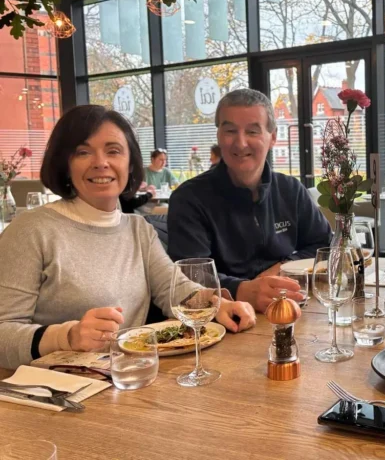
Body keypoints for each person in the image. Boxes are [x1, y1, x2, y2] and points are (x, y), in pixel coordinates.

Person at [0, 105, 256, 370]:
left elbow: (175, 290)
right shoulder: (32, 230)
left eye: (113, 151)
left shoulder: (138, 229)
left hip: (129, 382)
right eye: (83, 151)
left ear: (130, 163)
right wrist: (65, 337)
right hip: (54, 397)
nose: (101, 162)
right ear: (65, 163)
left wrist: (218, 305)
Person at [168, 89, 332, 313]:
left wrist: (280, 270)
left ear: (272, 137)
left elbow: (324, 245)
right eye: (230, 131)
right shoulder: (189, 199)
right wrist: (243, 289)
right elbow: (191, 277)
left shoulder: (290, 190)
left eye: (252, 131)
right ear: (218, 136)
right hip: (225, 319)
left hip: (296, 307)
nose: (241, 143)